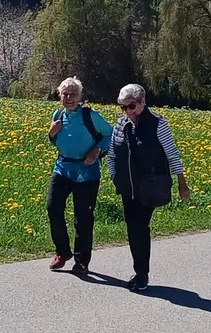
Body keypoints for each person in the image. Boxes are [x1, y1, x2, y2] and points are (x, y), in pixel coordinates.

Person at [106, 83, 189, 292]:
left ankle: (142, 274)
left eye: (131, 106)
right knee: (133, 228)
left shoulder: (158, 125)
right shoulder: (120, 125)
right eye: (123, 107)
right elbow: (113, 154)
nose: (127, 112)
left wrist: (182, 183)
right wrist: (115, 177)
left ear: (143, 103)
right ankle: (139, 271)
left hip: (150, 185)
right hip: (127, 186)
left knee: (139, 227)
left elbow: (173, 155)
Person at [46, 77, 111, 273]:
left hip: (87, 173)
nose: (69, 97)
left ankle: (82, 260)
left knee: (83, 216)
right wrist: (50, 133)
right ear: (59, 96)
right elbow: (55, 141)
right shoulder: (57, 114)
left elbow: (110, 134)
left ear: (80, 96)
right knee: (53, 207)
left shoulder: (90, 116)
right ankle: (63, 252)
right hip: (63, 168)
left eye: (73, 94)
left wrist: (96, 151)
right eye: (65, 94)